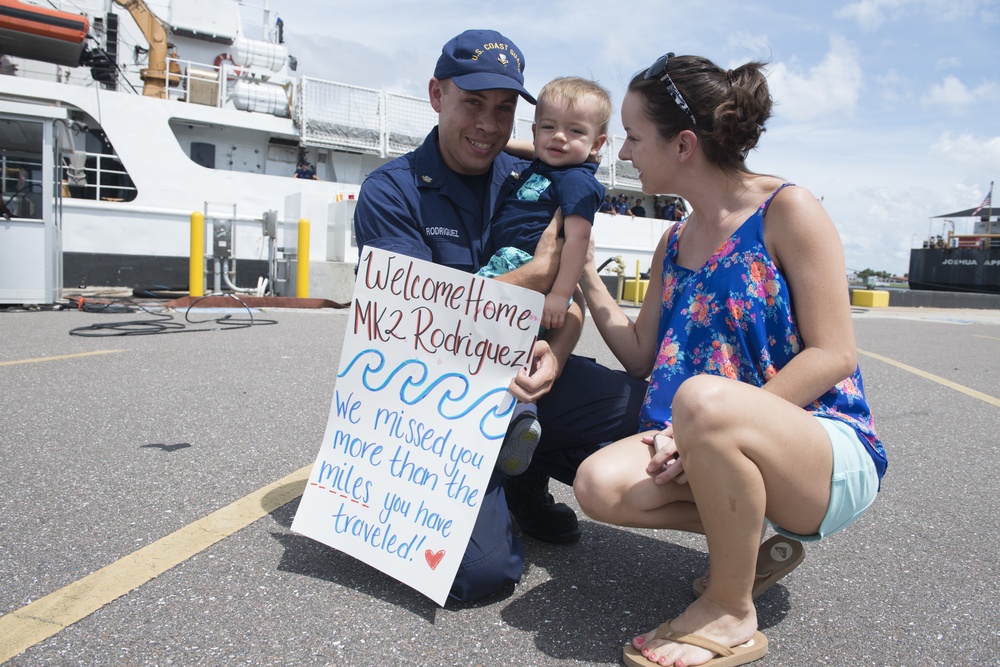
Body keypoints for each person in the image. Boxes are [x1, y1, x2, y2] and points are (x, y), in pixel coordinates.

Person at [574, 52, 887, 667]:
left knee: (700, 398)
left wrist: (703, 425)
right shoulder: (676, 237)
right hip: (707, 437)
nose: (625, 153)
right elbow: (640, 357)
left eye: (635, 137)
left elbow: (835, 352)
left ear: (684, 144)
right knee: (598, 486)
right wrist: (584, 274)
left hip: (822, 447)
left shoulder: (788, 210)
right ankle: (742, 540)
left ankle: (731, 608)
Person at [352, 29, 647, 604]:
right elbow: (411, 320)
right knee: (479, 579)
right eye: (473, 104)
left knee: (658, 426)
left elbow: (575, 300)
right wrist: (536, 276)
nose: (489, 124)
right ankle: (416, 486)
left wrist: (556, 359)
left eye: (505, 109)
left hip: (524, 379)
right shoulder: (391, 192)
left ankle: (518, 477)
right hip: (434, 399)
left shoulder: (536, 179)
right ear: (437, 95)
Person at [476, 77, 611, 475]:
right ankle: (518, 417)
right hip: (513, 263)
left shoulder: (578, 180)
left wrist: (559, 295)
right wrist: (497, 143)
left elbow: (577, 241)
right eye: (549, 127)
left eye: (575, 131)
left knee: (492, 336)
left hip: (524, 269)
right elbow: (528, 147)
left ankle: (521, 417)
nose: (559, 138)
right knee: (513, 351)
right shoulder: (544, 162)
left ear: (597, 144)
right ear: (535, 132)